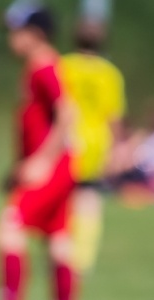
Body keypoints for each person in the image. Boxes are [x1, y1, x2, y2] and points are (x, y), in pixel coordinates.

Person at [0, 2, 79, 300]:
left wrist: (41, 160)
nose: (11, 38)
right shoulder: (36, 66)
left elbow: (67, 114)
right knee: (58, 240)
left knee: (9, 229)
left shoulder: (43, 65)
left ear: (36, 33)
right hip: (60, 166)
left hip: (52, 166)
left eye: (16, 30)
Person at [58, 19, 125, 274]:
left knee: (65, 197)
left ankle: (63, 250)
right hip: (97, 143)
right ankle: (84, 258)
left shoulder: (64, 66)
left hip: (68, 140)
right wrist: (118, 147)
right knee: (90, 198)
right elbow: (114, 116)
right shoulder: (109, 73)